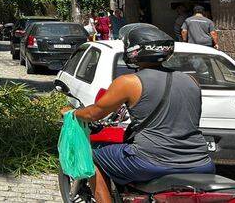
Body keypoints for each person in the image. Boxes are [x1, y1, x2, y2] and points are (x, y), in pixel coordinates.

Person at [66, 24, 214, 203]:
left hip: (151, 161)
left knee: (91, 156)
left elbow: (94, 113)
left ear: (133, 51)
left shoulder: (129, 82)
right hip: (201, 162)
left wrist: (74, 113)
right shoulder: (192, 80)